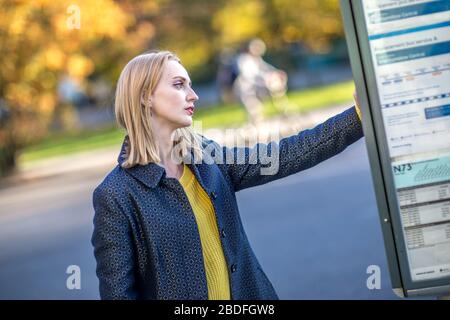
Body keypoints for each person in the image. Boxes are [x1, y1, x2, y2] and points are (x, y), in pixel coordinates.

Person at [91, 50, 363, 300]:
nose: (193, 94)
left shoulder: (207, 157)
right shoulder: (116, 195)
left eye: (189, 83)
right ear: (144, 95)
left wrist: (358, 117)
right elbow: (119, 295)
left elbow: (287, 155)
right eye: (178, 85)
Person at [233, 38, 290, 124]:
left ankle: (284, 110)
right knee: (255, 111)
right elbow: (248, 76)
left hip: (256, 87)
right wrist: (264, 80)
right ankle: (254, 128)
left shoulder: (257, 59)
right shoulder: (243, 60)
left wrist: (276, 73)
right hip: (246, 89)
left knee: (276, 88)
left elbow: (266, 68)